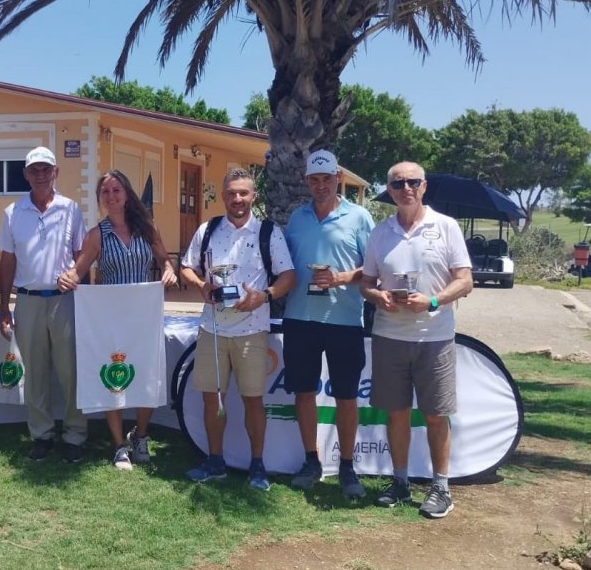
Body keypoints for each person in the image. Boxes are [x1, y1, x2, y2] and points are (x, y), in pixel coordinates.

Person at [358, 162, 473, 519]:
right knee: (397, 414)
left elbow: (465, 281)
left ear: (423, 187)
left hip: (434, 337)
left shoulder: (446, 227)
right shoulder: (381, 232)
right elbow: (366, 282)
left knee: (436, 415)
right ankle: (401, 481)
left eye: (412, 182)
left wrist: (433, 301)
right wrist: (378, 297)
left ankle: (441, 487)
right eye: (397, 183)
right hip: (389, 336)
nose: (405, 188)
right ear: (389, 190)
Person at [179, 168, 296, 490]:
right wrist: (201, 286)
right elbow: (187, 266)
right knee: (211, 400)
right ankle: (215, 460)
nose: (237, 199)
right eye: (231, 193)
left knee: (253, 401)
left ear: (253, 196)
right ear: (223, 195)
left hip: (252, 330)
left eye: (243, 193)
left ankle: (258, 465)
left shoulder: (268, 233)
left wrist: (265, 296)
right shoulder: (209, 228)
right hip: (212, 329)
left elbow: (288, 277)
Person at [56, 170, 178, 469]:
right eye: (105, 192)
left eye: (116, 190)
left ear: (127, 193)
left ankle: (141, 436)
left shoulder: (147, 227)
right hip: (108, 317)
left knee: (147, 373)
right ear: (101, 199)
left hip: (143, 316)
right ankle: (118, 444)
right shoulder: (97, 235)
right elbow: (79, 267)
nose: (111, 196)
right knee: (112, 373)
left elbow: (164, 259)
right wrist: (66, 278)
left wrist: (169, 269)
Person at [283, 149, 375, 499]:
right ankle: (312, 461)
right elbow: (286, 266)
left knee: (346, 396)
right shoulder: (297, 218)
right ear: (307, 181)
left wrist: (339, 278)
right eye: (314, 179)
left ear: (338, 177)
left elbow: (373, 269)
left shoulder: (360, 217)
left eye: (326, 178)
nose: (320, 185)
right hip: (299, 318)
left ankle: (348, 467)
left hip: (344, 319)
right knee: (304, 392)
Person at [0, 146, 88, 462]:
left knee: (70, 372)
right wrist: (4, 307)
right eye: (34, 169)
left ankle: (75, 435)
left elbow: (82, 256)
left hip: (65, 302)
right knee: (34, 374)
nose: (40, 174)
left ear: (55, 173)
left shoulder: (71, 209)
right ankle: (42, 435)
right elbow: (7, 262)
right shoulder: (12, 212)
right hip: (28, 301)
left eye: (45, 169)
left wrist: (77, 276)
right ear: (25, 174)